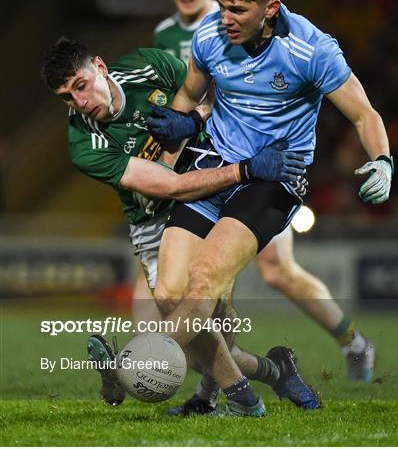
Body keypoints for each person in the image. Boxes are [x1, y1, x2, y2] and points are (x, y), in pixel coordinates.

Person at [146, 0, 394, 417]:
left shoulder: (311, 49)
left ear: (271, 8)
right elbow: (190, 93)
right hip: (215, 164)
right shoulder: (209, 35)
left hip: (275, 179)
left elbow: (364, 113)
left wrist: (382, 160)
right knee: (169, 294)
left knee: (205, 284)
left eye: (238, 9)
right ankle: (264, 375)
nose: (226, 18)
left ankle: (139, 367)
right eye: (222, 6)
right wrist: (179, 128)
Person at [40, 37, 318, 414]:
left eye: (81, 85)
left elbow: (214, 91)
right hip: (154, 216)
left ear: (100, 68)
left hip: (208, 189)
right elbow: (169, 185)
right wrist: (246, 169)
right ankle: (268, 376)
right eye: (67, 97)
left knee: (209, 314)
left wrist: (195, 118)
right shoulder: (84, 144)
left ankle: (214, 394)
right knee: (199, 330)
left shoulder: (148, 66)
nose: (80, 102)